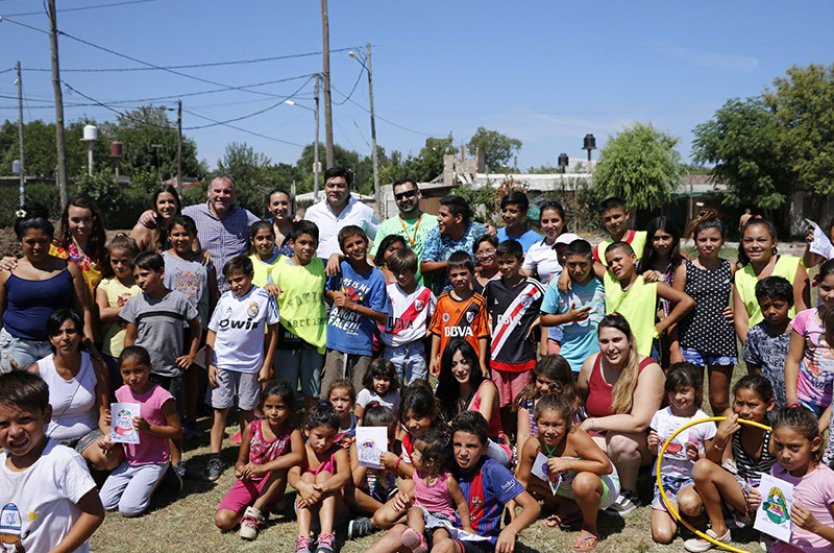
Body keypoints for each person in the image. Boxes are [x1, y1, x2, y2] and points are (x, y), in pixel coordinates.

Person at [367, 411, 541, 553]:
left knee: (445, 547)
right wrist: (404, 499)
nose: (463, 452)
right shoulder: (447, 464)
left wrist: (510, 530)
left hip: (475, 541)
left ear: (484, 446)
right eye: (458, 445)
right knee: (398, 531)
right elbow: (422, 490)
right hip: (440, 532)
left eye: (471, 446)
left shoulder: (492, 471)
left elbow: (533, 507)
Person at [0, 371, 104, 553]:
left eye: (25, 419)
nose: (15, 431)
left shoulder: (62, 461)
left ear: (46, 415)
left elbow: (94, 512)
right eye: (3, 424)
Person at [121, 251, 200, 478]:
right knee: (141, 419)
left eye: (145, 274)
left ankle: (176, 463)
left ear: (161, 273)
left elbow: (195, 327)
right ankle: (139, 461)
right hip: (141, 376)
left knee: (171, 420)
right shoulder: (135, 303)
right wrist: (128, 368)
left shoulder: (179, 300)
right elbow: (130, 337)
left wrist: (191, 354)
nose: (140, 281)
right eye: (136, 277)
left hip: (170, 371)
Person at [577, 313, 665, 516]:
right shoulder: (592, 364)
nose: (611, 347)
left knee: (619, 441)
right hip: (600, 439)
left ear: (630, 340)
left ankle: (629, 492)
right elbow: (579, 396)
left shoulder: (647, 368)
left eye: (617, 340)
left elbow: (639, 422)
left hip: (639, 445)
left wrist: (591, 423)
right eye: (604, 341)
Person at [204, 255, 280, 482]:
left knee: (247, 412)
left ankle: (245, 456)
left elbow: (274, 332)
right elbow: (212, 331)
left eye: (240, 279)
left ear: (250, 276)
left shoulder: (263, 297)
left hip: (251, 366)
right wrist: (210, 363)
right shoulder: (225, 299)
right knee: (220, 412)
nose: (236, 285)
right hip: (223, 363)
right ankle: (215, 457)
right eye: (230, 281)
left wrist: (267, 364)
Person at [683, 375, 776, 552]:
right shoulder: (733, 422)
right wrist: (720, 437)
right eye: (739, 403)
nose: (744, 411)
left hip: (770, 494)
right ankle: (719, 530)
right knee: (701, 467)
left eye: (753, 405)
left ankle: (771, 529)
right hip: (741, 491)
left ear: (769, 405)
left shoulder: (775, 433)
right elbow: (710, 462)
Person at [514, 395, 618, 552]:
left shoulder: (576, 438)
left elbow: (606, 466)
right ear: (536, 422)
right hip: (567, 483)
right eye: (545, 424)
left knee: (583, 482)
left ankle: (590, 527)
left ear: (568, 423)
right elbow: (521, 480)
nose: (550, 431)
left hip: (602, 484)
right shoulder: (533, 444)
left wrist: (568, 463)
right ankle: (571, 505)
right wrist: (510, 506)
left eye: (557, 425)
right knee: (528, 475)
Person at [0, 207, 95, 373]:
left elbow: (83, 309)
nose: (37, 247)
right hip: (16, 345)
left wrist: (88, 342)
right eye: (30, 242)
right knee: (15, 396)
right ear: (20, 241)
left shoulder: (69, 269)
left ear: (51, 241)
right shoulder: (7, 271)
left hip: (58, 346)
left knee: (56, 397)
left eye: (43, 241)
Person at [28, 310, 121, 472]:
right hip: (53, 439)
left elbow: (103, 413)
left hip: (89, 435)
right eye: (58, 333)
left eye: (70, 331)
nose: (65, 337)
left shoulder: (96, 365)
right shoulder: (37, 371)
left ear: (79, 336)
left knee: (109, 456)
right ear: (51, 339)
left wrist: (108, 437)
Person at [214, 381, 304, 541]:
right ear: (262, 407)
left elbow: (298, 455)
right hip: (249, 483)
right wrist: (241, 469)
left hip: (273, 483)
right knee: (223, 520)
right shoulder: (253, 428)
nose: (274, 412)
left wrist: (263, 468)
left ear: (289, 409)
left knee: (282, 465)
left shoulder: (292, 432)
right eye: (269, 407)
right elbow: (240, 461)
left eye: (280, 407)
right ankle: (260, 509)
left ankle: (254, 513)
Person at [98, 346, 182, 517]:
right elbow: (123, 429)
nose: (132, 378)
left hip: (154, 461)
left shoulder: (161, 396)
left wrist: (148, 428)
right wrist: (111, 435)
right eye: (126, 372)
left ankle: (166, 474)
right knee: (104, 504)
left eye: (138, 371)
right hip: (130, 461)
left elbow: (176, 430)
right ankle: (145, 483)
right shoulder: (121, 393)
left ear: (149, 368)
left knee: (129, 509)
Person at [673, 214, 737, 415]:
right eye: (702, 240)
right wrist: (675, 347)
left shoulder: (731, 267)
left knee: (719, 401)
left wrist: (736, 313)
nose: (708, 244)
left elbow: (745, 299)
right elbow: (674, 311)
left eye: (714, 239)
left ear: (723, 241)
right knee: (692, 400)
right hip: (692, 341)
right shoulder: (685, 270)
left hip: (723, 341)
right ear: (695, 241)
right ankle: (695, 443)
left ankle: (724, 444)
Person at [647, 363, 716, 544]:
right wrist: (651, 445)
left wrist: (698, 456)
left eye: (684, 391)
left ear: (697, 391)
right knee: (662, 536)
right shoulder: (660, 416)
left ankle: (696, 515)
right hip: (665, 480)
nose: (678, 397)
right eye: (673, 391)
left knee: (689, 503)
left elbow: (712, 460)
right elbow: (655, 452)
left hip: (691, 480)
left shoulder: (704, 421)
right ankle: (677, 513)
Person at [162, 215, 217, 438]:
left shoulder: (204, 263)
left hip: (198, 326)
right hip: (170, 326)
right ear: (169, 236)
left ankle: (191, 419)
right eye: (176, 234)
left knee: (191, 375)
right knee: (170, 375)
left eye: (186, 234)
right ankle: (170, 420)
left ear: (194, 236)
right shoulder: (163, 260)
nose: (181, 238)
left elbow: (213, 294)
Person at [485, 240, 545, 434]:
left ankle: (522, 440)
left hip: (523, 357)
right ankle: (504, 439)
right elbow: (481, 312)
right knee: (500, 404)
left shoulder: (534, 288)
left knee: (522, 404)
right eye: (501, 263)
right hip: (497, 357)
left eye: (509, 262)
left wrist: (537, 323)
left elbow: (548, 312)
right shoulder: (492, 287)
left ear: (521, 260)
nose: (505, 267)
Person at [322, 225, 388, 399]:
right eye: (349, 246)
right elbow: (327, 289)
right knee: (329, 392)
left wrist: (352, 306)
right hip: (336, 340)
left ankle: (356, 425)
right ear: (344, 250)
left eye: (359, 242)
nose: (356, 248)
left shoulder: (377, 277)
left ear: (366, 243)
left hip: (361, 343)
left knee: (359, 394)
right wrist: (334, 294)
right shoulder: (341, 267)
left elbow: (381, 315)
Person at [271, 221, 328, 409]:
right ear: (292, 244)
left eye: (312, 243)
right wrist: (266, 288)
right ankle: (289, 432)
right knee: (286, 391)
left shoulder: (322, 266)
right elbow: (266, 296)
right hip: (288, 336)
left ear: (317, 245)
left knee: (312, 392)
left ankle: (308, 430)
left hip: (315, 339)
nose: (307, 247)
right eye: (302, 242)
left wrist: (336, 255)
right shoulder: (278, 269)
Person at [604, 241, 695, 358]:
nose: (614, 265)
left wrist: (662, 325)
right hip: (616, 352)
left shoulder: (649, 284)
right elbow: (586, 260)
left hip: (646, 351)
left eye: (618, 260)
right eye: (610, 263)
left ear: (633, 258)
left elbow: (687, 301)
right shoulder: (610, 281)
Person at [436, 339, 513, 466]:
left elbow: (480, 426)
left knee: (474, 440)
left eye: (464, 362)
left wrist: (449, 426)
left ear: (473, 363)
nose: (460, 369)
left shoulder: (486, 387)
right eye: (454, 364)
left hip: (490, 447)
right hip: (461, 449)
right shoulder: (447, 392)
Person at [769, 407, 834, 553]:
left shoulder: (827, 480)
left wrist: (815, 527)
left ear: (815, 444)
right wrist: (760, 504)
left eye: (794, 447)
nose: (785, 454)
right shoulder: (777, 471)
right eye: (779, 445)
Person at [734, 217, 809, 343]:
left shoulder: (793, 267)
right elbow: (741, 320)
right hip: (758, 344)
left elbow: (803, 312)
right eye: (748, 240)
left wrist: (796, 346)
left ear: (773, 242)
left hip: (792, 342)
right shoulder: (740, 275)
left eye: (761, 240)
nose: (754, 245)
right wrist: (753, 350)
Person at [288, 402, 351, 553]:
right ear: (307, 431)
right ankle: (303, 540)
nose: (324, 443)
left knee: (324, 476)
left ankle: (326, 538)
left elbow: (345, 475)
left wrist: (320, 488)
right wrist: (304, 487)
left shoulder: (338, 451)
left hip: (334, 511)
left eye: (330, 437)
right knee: (307, 477)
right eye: (319, 436)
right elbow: (292, 474)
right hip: (307, 510)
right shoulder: (302, 450)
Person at [181, 174, 261, 292]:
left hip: (236, 290)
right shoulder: (192, 213)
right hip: (203, 289)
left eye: (227, 192)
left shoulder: (244, 216)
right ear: (209, 193)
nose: (221, 195)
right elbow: (167, 219)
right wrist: (148, 215)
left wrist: (292, 221)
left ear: (233, 195)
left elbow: (268, 228)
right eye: (217, 191)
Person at [401, 426, 473, 553]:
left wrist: (466, 526)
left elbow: (461, 502)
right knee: (414, 511)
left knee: (441, 535)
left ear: (429, 462)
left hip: (441, 517)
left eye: (415, 453)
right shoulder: (417, 473)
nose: (411, 455)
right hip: (422, 512)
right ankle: (419, 541)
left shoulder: (447, 480)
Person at [540, 239, 605, 374]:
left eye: (583, 264)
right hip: (570, 362)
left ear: (592, 263)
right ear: (565, 263)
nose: (577, 270)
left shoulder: (602, 283)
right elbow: (544, 319)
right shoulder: (557, 286)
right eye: (572, 265)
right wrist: (567, 317)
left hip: (600, 361)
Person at [785, 259, 834, 417]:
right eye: (826, 288)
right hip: (806, 399)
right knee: (808, 440)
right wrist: (792, 397)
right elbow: (793, 359)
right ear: (818, 284)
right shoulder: (805, 319)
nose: (831, 295)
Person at [428, 252, 489, 378]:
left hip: (470, 360)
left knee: (471, 395)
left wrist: (482, 361)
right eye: (454, 275)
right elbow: (437, 331)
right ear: (449, 277)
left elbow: (483, 334)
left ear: (472, 274)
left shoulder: (479, 301)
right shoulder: (442, 300)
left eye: (463, 273)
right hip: (448, 360)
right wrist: (433, 357)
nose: (459, 278)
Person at [381, 247, 436, 385]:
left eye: (404, 272)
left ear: (413, 270)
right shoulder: (387, 291)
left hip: (416, 349)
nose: (401, 276)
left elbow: (437, 316)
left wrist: (429, 331)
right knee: (392, 390)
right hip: (392, 348)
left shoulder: (425, 293)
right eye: (397, 272)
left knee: (417, 389)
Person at [345, 403, 399, 539]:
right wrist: (369, 454)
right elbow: (355, 481)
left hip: (388, 496)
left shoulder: (395, 446)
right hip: (365, 499)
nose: (387, 440)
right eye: (382, 436)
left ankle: (384, 515)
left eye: (391, 435)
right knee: (348, 492)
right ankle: (386, 514)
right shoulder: (357, 446)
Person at [371, 178, 438, 285]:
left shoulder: (435, 222)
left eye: (409, 194)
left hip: (428, 292)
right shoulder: (386, 226)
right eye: (399, 196)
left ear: (418, 194)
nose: (404, 199)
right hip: (397, 294)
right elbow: (373, 258)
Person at [304, 166, 379, 260]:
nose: (335, 190)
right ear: (324, 188)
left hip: (354, 272)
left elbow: (381, 239)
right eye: (330, 186)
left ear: (349, 188)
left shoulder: (363, 211)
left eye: (340, 186)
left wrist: (372, 257)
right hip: (321, 271)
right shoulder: (313, 213)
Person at [515, 355, 585, 454]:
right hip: (533, 450)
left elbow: (577, 433)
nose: (544, 387)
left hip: (563, 453)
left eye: (550, 384)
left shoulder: (572, 403)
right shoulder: (528, 400)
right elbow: (523, 435)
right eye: (540, 381)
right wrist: (522, 462)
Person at [743, 277, 794, 409]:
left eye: (778, 306)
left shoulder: (799, 331)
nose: (771, 311)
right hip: (770, 402)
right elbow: (753, 370)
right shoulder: (755, 334)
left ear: (790, 304)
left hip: (798, 398)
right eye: (765, 307)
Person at [421, 195, 487, 295]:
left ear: (458, 218)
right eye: (438, 214)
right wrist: (452, 263)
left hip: (476, 296)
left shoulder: (479, 232)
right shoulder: (436, 233)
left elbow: (491, 265)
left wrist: (466, 269)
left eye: (443, 215)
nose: (438, 218)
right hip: (444, 299)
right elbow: (425, 267)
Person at [97, 234, 142, 380]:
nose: (119, 266)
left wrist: (117, 311)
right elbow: (102, 313)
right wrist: (132, 307)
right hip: (112, 350)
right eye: (114, 261)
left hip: (140, 349)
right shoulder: (105, 284)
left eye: (124, 261)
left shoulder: (142, 285)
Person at [51, 193, 107, 300]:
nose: (82, 226)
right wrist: (9, 261)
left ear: (94, 221)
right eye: (75, 220)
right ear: (67, 220)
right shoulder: (52, 250)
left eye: (87, 220)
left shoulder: (103, 256)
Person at [522, 200, 569, 284]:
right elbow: (523, 277)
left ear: (564, 221)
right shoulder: (535, 249)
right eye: (545, 221)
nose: (550, 226)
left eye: (554, 220)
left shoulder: (576, 244)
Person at [130, 184, 182, 252]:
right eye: (162, 202)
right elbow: (129, 258)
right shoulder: (142, 229)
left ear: (177, 204)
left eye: (171, 201)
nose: (167, 206)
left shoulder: (182, 228)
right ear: (155, 205)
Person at [355, 358, 400, 423]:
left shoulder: (395, 394)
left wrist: (396, 433)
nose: (382, 383)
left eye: (386, 379)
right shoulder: (365, 393)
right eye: (378, 378)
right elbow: (359, 418)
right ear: (371, 378)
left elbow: (397, 418)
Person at [248, 220, 282, 289]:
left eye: (269, 238)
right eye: (260, 238)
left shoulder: (286, 262)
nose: (265, 242)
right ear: (252, 241)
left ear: (274, 238)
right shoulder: (247, 264)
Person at [328, 378, 358, 449]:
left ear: (352, 402)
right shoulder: (325, 421)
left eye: (344, 400)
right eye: (335, 400)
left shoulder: (356, 421)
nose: (339, 405)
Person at [266, 188, 296, 257]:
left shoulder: (298, 228)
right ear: (269, 207)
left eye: (284, 203)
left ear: (290, 205)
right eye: (276, 204)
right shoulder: (263, 227)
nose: (280, 208)